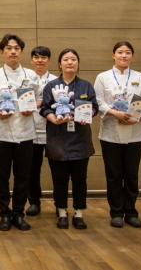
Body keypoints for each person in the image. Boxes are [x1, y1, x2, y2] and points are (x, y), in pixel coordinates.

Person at [0, 34, 41, 231]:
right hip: (1, 133)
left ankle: (18, 214)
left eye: (16, 48)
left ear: (21, 52)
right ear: (2, 52)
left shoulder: (31, 75)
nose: (13, 51)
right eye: (9, 48)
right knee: (1, 176)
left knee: (22, 177)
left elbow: (40, 98)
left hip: (26, 133)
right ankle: (5, 214)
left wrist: (31, 107)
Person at [94, 41, 141, 228]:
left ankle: (131, 212)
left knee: (131, 174)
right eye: (120, 52)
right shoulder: (103, 77)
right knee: (114, 175)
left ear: (132, 56)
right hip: (111, 132)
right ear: (113, 55)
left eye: (127, 52)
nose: (124, 55)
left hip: (135, 132)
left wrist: (135, 117)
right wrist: (114, 112)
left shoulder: (140, 77)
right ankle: (116, 212)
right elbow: (99, 101)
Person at [40, 49, 98, 230]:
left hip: (80, 138)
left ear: (78, 63)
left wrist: (88, 113)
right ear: (60, 64)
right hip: (58, 138)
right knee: (60, 179)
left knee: (80, 179)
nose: (70, 62)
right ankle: (62, 212)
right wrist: (53, 118)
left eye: (73, 59)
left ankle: (79, 213)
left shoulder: (86, 86)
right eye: (66, 59)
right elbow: (45, 108)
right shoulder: (51, 85)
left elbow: (94, 107)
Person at [26, 46, 53, 217]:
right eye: (36, 57)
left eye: (43, 57)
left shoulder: (56, 80)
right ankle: (34, 202)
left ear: (49, 60)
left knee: (57, 170)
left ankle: (60, 203)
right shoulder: (26, 79)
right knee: (32, 170)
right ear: (31, 60)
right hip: (32, 131)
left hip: (53, 131)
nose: (40, 60)